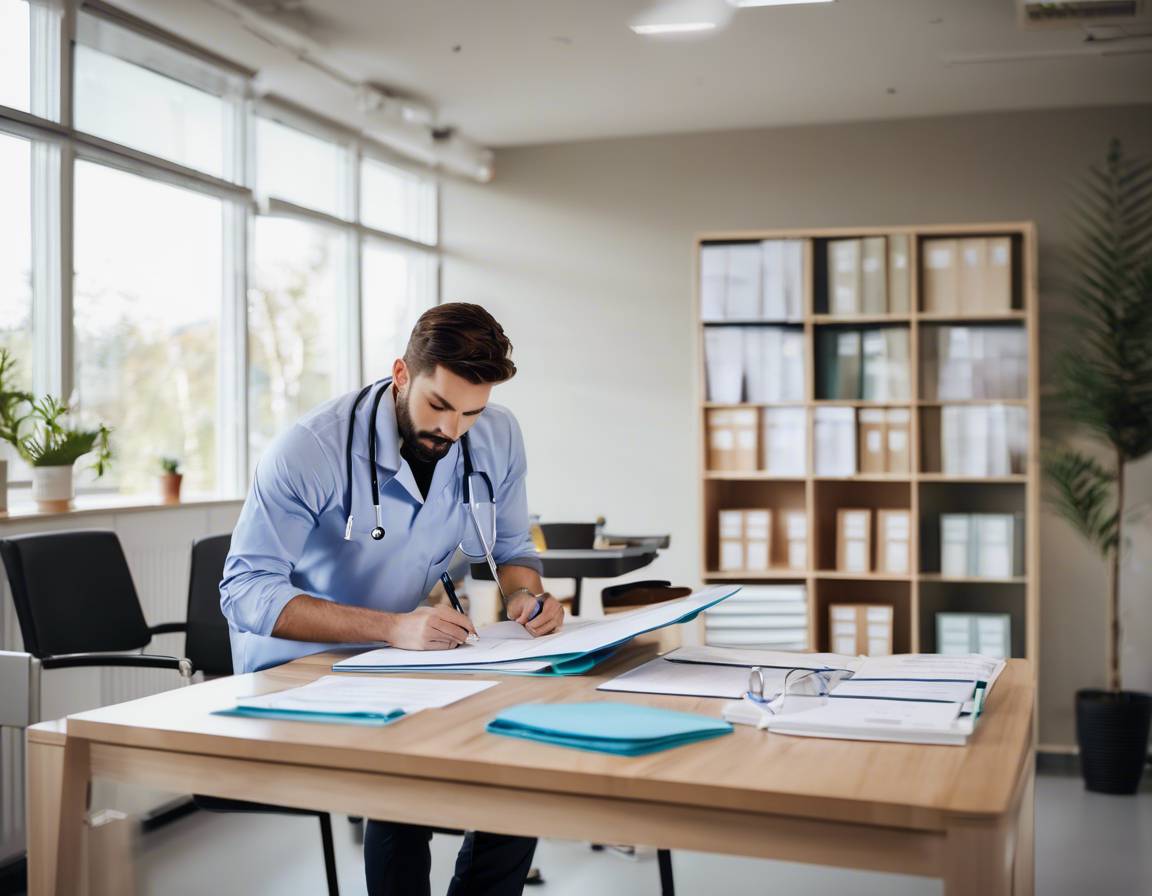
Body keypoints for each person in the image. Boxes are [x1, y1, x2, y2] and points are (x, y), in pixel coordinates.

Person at [220, 302, 564, 896]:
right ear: (402, 374)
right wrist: (391, 628)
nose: (453, 430)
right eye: (439, 406)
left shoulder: (497, 434)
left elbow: (510, 547)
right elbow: (244, 591)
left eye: (471, 413)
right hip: (299, 668)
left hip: (403, 656)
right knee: (407, 770)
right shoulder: (312, 448)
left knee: (523, 754)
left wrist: (527, 597)